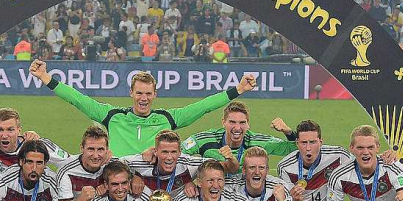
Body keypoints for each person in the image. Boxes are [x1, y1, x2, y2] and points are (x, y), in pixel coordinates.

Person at [30, 59, 257, 155]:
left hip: (152, 185)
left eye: (148, 94)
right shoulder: (113, 116)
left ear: (155, 95)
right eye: (139, 93)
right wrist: (46, 78)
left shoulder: (168, 118)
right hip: (117, 182)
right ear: (131, 93)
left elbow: (204, 106)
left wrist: (238, 89)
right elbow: (78, 99)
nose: (143, 98)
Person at [181, 102, 298, 169]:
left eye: (242, 123)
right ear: (223, 122)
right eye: (232, 122)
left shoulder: (260, 142)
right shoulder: (204, 139)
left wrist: (288, 132)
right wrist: (188, 180)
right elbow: (176, 153)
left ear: (248, 124)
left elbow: (298, 148)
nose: (237, 128)